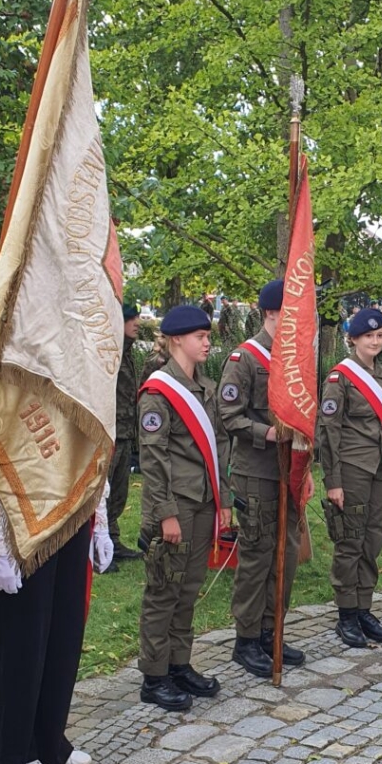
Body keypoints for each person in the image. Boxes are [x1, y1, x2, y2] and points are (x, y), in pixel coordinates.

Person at [137, 305, 232, 711]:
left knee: (188, 588)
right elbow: (153, 459)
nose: (207, 342)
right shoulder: (160, 391)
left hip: (204, 502)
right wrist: (166, 513)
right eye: (200, 337)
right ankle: (154, 676)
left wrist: (224, 500)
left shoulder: (205, 388)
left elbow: (218, 449)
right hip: (175, 507)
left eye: (208, 336)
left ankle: (179, 664)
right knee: (164, 591)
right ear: (176, 339)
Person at [0, 489, 113, 764]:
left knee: (64, 632)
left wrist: (100, 522)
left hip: (74, 506)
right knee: (25, 639)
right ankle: (16, 754)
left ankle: (50, 741)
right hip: (23, 512)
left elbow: (96, 449)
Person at [218, 279, 312, 678]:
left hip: (287, 472)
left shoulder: (295, 360)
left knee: (287, 555)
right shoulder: (246, 359)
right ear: (272, 313)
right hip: (256, 472)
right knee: (257, 557)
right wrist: (267, 433)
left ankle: (273, 630)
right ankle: (247, 638)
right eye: (289, 313)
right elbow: (228, 415)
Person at [318, 307, 382, 648]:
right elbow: (329, 433)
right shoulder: (340, 378)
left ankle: (364, 607)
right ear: (353, 339)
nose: (375, 341)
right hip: (353, 471)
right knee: (350, 543)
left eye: (380, 335)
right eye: (368, 336)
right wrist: (333, 481)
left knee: (373, 542)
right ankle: (346, 615)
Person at [106, 303, 142, 571]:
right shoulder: (112, 352)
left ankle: (113, 541)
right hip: (110, 434)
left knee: (119, 492)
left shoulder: (127, 352)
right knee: (103, 492)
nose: (137, 323)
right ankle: (99, 548)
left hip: (125, 432)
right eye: (132, 319)